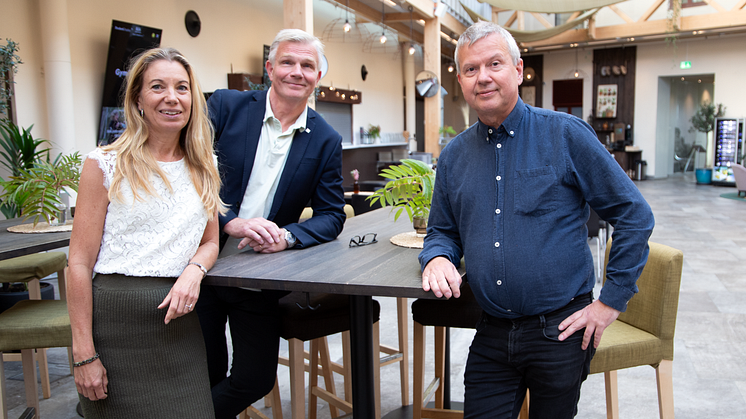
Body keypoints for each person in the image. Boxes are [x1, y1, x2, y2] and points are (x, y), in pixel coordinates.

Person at [418, 21, 655, 418]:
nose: (484, 77)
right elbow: (442, 230)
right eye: (471, 69)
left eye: (494, 64)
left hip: (560, 330)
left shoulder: (565, 136)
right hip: (491, 329)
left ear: (518, 69)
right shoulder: (454, 156)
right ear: (460, 80)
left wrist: (610, 301)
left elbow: (633, 213)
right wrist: (438, 256)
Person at [196, 28, 346, 418]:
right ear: (270, 68)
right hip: (198, 265)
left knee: (255, 379)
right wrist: (228, 221)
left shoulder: (326, 139)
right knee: (204, 374)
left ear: (317, 76)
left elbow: (332, 215)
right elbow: (187, 174)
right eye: (288, 62)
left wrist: (288, 237)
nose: (297, 71)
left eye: (308, 65)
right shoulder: (225, 107)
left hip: (257, 275)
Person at [67, 47, 224, 418]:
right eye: (158, 87)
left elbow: (211, 241)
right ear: (138, 98)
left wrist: (194, 271)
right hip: (115, 326)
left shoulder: (205, 165)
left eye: (182, 88)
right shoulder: (104, 164)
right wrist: (83, 354)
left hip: (179, 329)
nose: (172, 97)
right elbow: (77, 262)